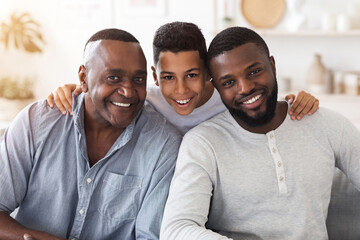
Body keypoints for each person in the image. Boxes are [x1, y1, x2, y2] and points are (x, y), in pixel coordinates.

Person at [159, 27, 360, 240]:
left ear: (272, 65)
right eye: (229, 82)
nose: (245, 88)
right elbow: (176, 229)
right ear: (216, 86)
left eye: (254, 71)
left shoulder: (326, 124)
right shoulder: (202, 143)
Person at [0, 28, 182, 240]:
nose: (128, 91)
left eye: (138, 80)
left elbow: (148, 237)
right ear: (83, 78)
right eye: (113, 77)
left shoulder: (163, 144)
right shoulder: (36, 122)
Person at [47, 22, 319, 135]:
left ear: (208, 74)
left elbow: (260, 104)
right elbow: (102, 93)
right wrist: (74, 90)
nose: (180, 90)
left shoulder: (228, 101)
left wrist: (296, 99)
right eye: (168, 77)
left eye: (191, 75)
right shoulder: (144, 100)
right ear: (154, 76)